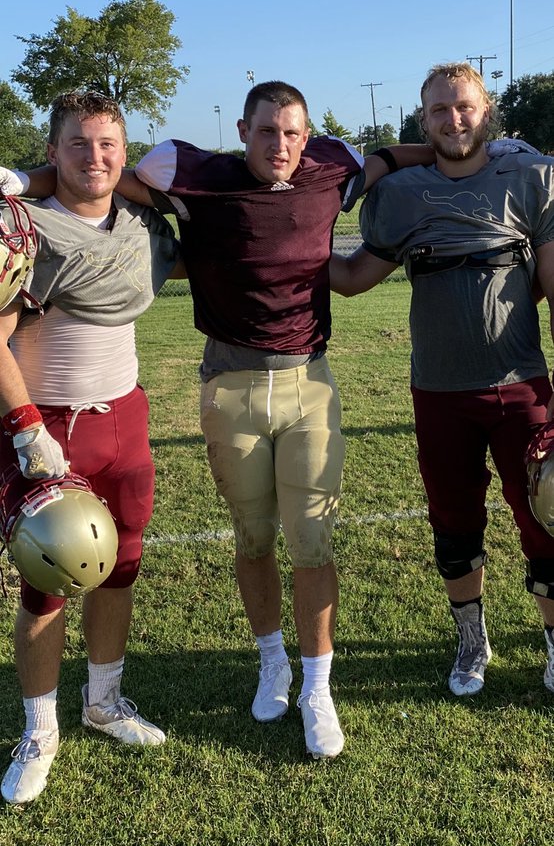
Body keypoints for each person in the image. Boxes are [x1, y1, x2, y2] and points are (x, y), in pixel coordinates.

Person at [105, 79, 437, 761]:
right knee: (253, 538)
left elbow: (387, 160)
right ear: (241, 129)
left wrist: (466, 148)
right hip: (228, 385)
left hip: (308, 383)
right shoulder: (192, 175)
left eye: (292, 132)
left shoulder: (331, 169)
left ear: (307, 134)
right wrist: (29, 177)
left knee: (313, 541)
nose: (280, 145)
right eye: (266, 131)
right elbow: (105, 173)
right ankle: (271, 660)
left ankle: (318, 685)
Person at [329, 61, 554, 700]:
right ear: (422, 122)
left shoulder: (530, 179)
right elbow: (352, 278)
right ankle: (471, 639)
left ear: (488, 114)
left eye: (465, 107)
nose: (454, 119)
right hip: (439, 392)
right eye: (439, 110)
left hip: (522, 387)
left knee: (546, 516)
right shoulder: (403, 194)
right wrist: (283, 244)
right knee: (454, 522)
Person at [0, 90, 185, 806]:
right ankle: (39, 730)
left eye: (107, 143)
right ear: (51, 151)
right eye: (78, 143)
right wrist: (24, 429)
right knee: (47, 584)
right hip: (49, 425)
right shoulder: (23, 225)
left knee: (120, 568)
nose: (94, 157)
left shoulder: (140, 218)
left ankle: (103, 702)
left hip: (126, 417)